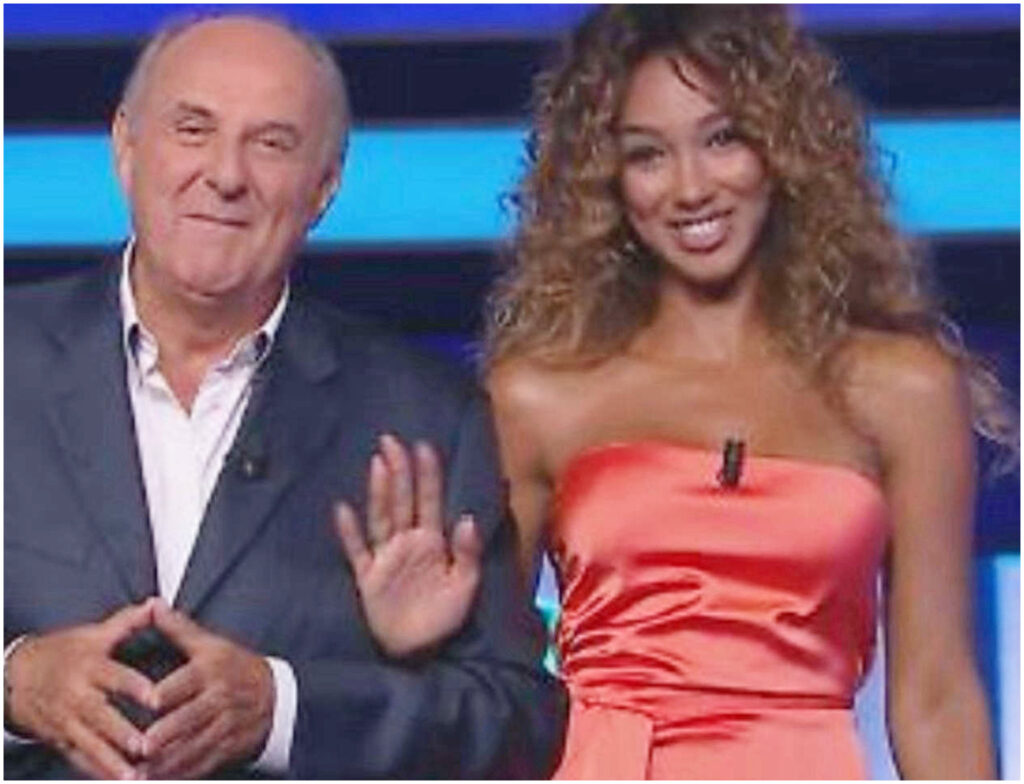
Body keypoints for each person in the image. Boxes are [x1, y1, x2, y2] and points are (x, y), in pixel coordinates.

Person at [4, 13, 565, 779]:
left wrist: (286, 708)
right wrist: (14, 684)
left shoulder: (425, 415)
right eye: (193, 129)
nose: (226, 174)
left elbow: (517, 726)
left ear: (324, 187)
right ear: (125, 148)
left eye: (271, 144)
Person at [478, 5, 1015, 779]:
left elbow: (935, 696)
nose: (691, 187)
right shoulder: (540, 397)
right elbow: (486, 693)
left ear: (782, 147)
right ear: (607, 182)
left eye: (723, 138)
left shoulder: (903, 389)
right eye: (647, 154)